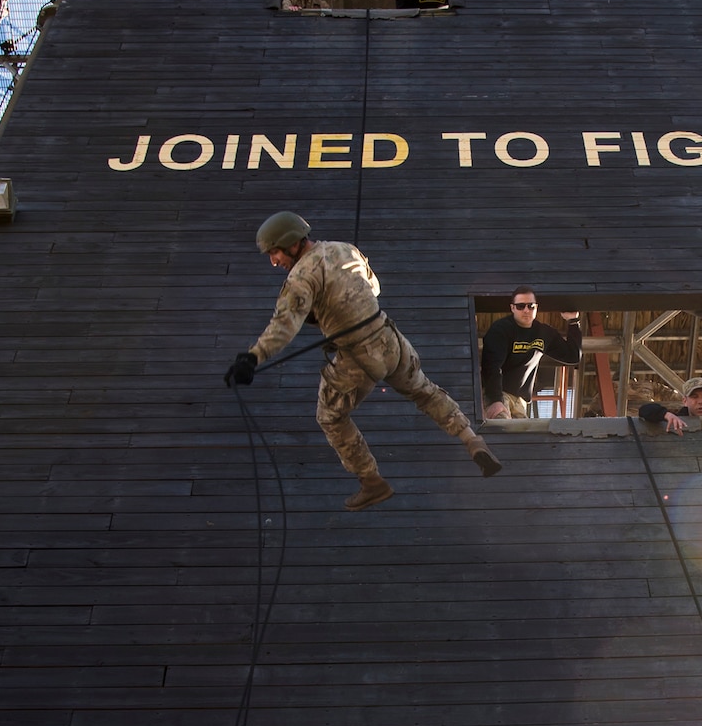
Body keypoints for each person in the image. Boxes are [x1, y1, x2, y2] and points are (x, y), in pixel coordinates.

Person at [224, 212, 500, 511]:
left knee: (330, 417)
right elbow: (373, 288)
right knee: (425, 391)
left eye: (274, 252)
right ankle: (472, 441)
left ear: (291, 243)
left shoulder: (301, 277)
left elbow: (284, 325)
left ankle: (372, 483)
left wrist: (252, 358)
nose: (273, 261)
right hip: (390, 339)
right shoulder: (346, 248)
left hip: (357, 355)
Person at [480, 289, 582, 421]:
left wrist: (573, 321)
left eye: (530, 306)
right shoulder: (501, 330)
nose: (526, 310)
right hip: (499, 394)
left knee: (524, 438)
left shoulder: (544, 333)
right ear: (512, 308)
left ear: (536, 308)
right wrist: (495, 400)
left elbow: (572, 356)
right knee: (501, 432)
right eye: (520, 306)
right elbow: (491, 366)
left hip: (520, 400)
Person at [637, 376, 702, 433]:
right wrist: (665, 414)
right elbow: (644, 410)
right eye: (694, 397)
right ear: (685, 401)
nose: (700, 401)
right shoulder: (679, 418)